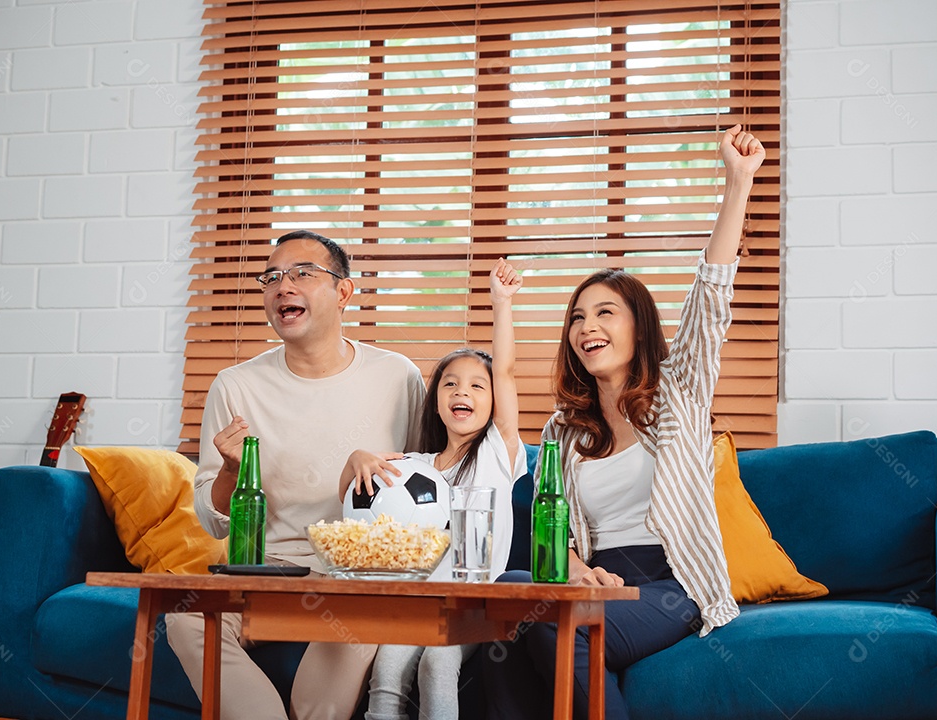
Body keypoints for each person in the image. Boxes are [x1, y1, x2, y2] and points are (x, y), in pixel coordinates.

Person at [482, 125, 766, 720]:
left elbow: (710, 295)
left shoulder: (678, 390)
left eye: (605, 312)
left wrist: (736, 185)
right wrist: (582, 572)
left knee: (558, 627)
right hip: (594, 579)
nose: (587, 327)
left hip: (672, 585)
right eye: (577, 317)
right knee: (504, 618)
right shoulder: (564, 430)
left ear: (639, 326)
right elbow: (550, 529)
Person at [166, 230, 427, 720]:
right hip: (267, 576)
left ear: (343, 292)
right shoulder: (236, 386)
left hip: (357, 579)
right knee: (185, 621)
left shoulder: (398, 377)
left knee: (357, 630)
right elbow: (214, 522)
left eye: (302, 274)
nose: (283, 287)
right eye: (272, 278)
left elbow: (426, 487)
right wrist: (228, 471)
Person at [338, 258, 526, 720]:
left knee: (439, 663)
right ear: (436, 401)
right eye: (451, 384)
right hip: (417, 607)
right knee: (386, 675)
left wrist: (501, 305)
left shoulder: (497, 454)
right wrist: (354, 460)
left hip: (475, 607)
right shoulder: (414, 467)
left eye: (477, 387)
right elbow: (352, 501)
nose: (463, 392)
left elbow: (506, 371)